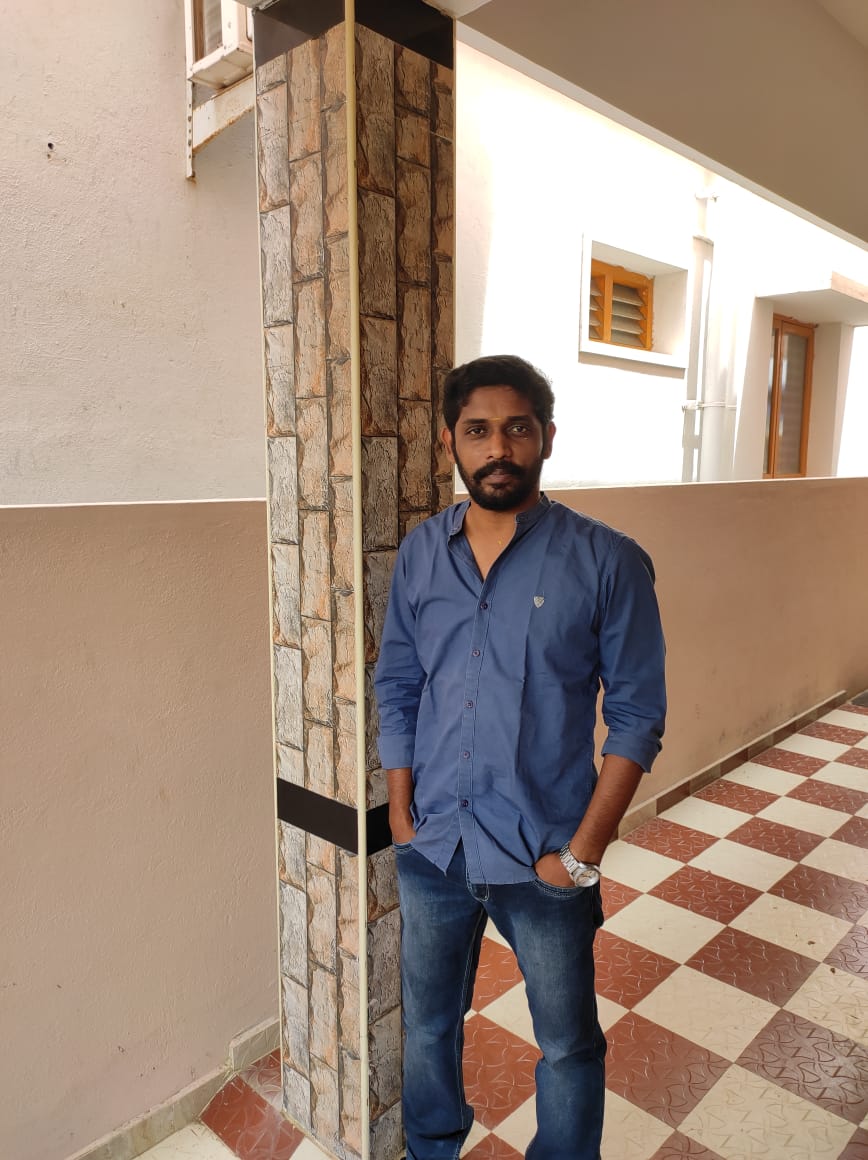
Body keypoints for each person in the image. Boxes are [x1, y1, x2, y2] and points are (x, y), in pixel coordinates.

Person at [374, 354, 666, 1160]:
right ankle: (431, 1148)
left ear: (547, 437)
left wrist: (582, 854)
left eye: (517, 429)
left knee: (567, 1046)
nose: (498, 448)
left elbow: (637, 717)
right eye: (478, 430)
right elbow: (398, 682)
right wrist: (400, 811)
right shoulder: (421, 555)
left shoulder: (606, 560)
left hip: (545, 853)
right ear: (449, 442)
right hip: (433, 847)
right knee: (429, 1024)